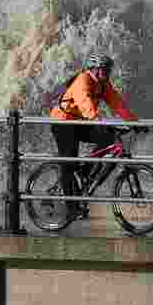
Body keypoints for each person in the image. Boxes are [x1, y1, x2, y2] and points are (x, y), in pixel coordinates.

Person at [49, 53, 143, 219]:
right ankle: (71, 208)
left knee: (109, 138)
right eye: (104, 70)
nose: (107, 73)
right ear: (94, 69)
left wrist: (134, 122)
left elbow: (118, 104)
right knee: (69, 162)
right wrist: (98, 119)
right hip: (62, 122)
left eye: (109, 70)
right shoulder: (83, 80)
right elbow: (85, 103)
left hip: (79, 121)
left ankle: (85, 170)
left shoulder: (103, 84)